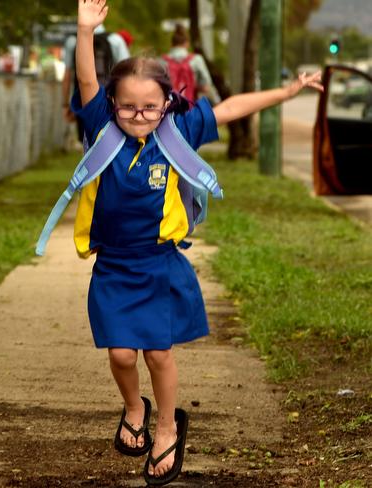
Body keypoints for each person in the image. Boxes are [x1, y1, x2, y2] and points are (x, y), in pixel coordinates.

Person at [69, 0, 323, 485]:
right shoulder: (101, 126)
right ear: (112, 104)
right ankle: (133, 408)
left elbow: (230, 107)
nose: (138, 115)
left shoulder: (177, 129)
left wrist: (287, 92)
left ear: (167, 102)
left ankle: (167, 428)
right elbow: (86, 82)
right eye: (127, 106)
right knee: (121, 354)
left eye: (149, 106)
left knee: (159, 353)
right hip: (114, 266)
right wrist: (86, 33)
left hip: (160, 264)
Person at [62, 24, 130, 143]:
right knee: (110, 141)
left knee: (86, 140)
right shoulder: (115, 40)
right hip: (110, 102)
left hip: (82, 100)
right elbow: (127, 75)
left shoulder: (72, 41)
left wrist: (66, 105)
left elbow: (67, 76)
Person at [161, 24, 216, 103]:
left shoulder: (162, 61)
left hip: (169, 109)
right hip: (190, 107)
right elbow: (206, 87)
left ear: (172, 44)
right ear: (187, 43)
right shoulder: (197, 60)